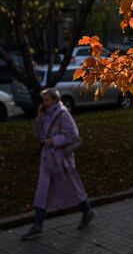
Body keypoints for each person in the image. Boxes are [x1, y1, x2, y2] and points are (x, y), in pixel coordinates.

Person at [22, 88, 95, 240]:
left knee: (73, 187)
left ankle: (87, 210)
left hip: (61, 159)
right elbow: (38, 134)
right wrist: (39, 117)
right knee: (42, 190)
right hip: (47, 159)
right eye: (43, 100)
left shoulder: (63, 114)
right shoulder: (46, 114)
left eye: (47, 100)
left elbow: (73, 135)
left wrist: (54, 141)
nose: (44, 103)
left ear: (55, 100)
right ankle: (38, 225)